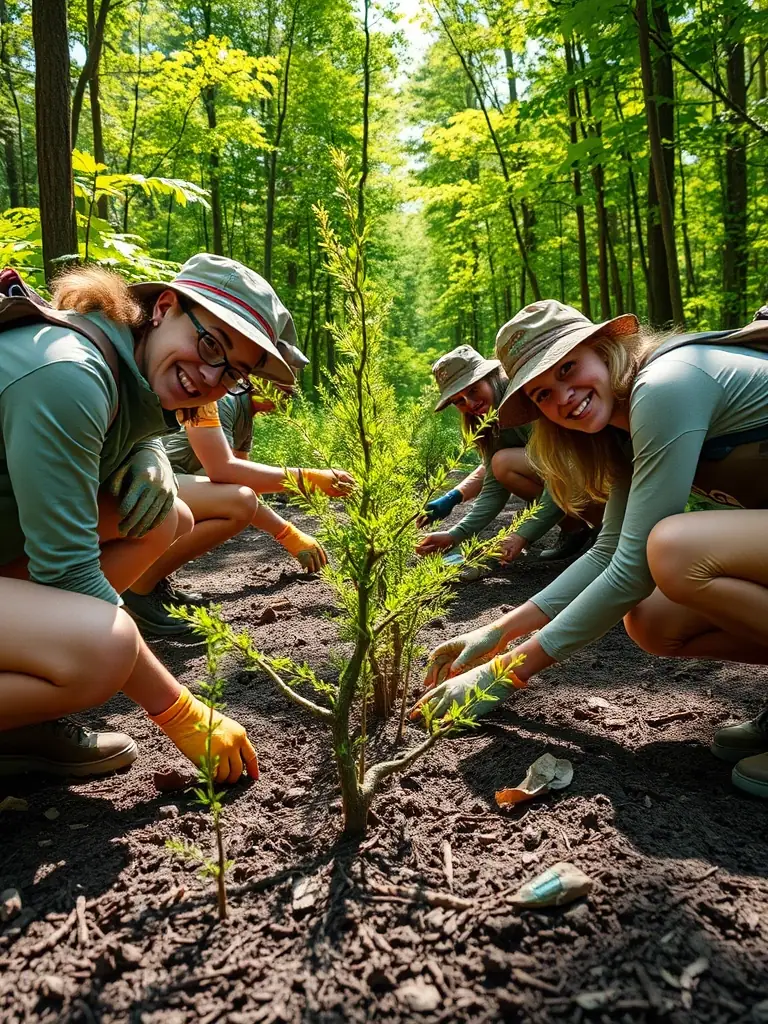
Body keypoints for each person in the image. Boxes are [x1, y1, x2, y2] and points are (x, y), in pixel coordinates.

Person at [414, 299, 768, 800]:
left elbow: (632, 565)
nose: (563, 397)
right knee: (652, 620)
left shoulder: (667, 385)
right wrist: (494, 634)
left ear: (604, 349)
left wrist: (505, 673)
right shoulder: (622, 427)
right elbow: (608, 551)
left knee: (672, 550)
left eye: (568, 368)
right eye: (542, 393)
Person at [0, 253, 295, 782]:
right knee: (105, 645)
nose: (210, 376)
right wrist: (179, 711)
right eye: (211, 345)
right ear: (163, 308)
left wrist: (149, 455)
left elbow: (134, 421)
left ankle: (19, 715)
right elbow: (65, 571)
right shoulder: (68, 374)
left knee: (162, 518)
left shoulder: (114, 363)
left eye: (233, 373)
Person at [123, 349, 355, 637]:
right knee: (236, 504)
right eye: (282, 389)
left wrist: (288, 533)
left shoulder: (245, 413)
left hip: (169, 488)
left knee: (238, 501)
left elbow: (242, 480)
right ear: (257, 381)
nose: (286, 398)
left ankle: (152, 580)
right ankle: (138, 587)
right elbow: (227, 475)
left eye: (289, 391)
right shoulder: (225, 401)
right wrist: (307, 483)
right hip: (142, 484)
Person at [416, 345, 595, 567]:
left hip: (597, 482)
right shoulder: (487, 420)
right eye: (459, 401)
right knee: (502, 464)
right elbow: (494, 485)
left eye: (472, 390)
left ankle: (606, 529)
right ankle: (575, 529)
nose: (470, 403)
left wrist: (521, 535)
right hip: (575, 486)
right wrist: (455, 535)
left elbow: (563, 472)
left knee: (504, 463)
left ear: (490, 377)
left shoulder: (527, 399)